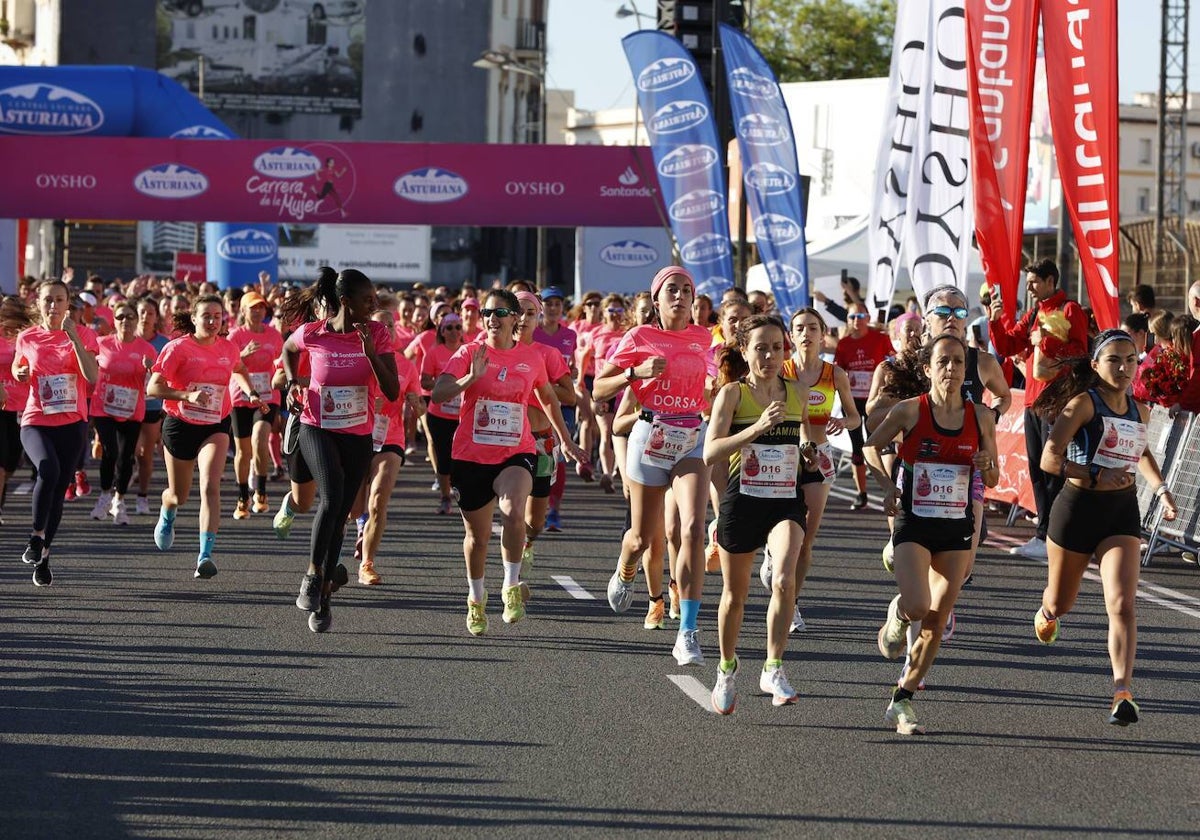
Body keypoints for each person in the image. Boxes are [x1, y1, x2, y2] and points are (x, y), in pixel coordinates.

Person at [1032, 329, 1176, 726]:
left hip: (1120, 514)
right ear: (1095, 365)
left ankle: (1122, 692)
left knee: (1123, 604)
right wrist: (1094, 474)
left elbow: (1141, 451)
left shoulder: (1141, 410)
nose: (1125, 367)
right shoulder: (1082, 404)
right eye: (1114, 359)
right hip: (1077, 510)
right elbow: (1049, 459)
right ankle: (1046, 611)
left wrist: (1161, 490)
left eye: (1131, 359)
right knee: (1062, 602)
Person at [865, 334, 999, 734]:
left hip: (957, 524)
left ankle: (902, 699)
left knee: (938, 620)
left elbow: (993, 476)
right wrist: (888, 486)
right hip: (915, 521)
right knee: (920, 605)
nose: (951, 369)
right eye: (943, 362)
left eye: (958, 362)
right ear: (927, 370)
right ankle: (899, 613)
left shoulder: (982, 417)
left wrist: (986, 463)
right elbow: (871, 447)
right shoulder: (909, 411)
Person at [431, 289, 585, 636]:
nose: (492, 319)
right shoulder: (469, 352)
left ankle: (511, 586)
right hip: (470, 455)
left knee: (515, 510)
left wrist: (566, 440)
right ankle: (476, 598)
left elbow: (549, 397)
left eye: (500, 313)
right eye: (487, 313)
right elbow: (439, 393)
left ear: (515, 319)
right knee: (478, 537)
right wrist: (470, 378)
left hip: (516, 451)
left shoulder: (531, 358)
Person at [595, 266, 716, 664]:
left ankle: (688, 632)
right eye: (671, 290)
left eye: (686, 290)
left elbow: (716, 382)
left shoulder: (704, 337)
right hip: (649, 439)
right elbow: (599, 387)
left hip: (690, 441)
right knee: (642, 539)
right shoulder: (639, 337)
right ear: (657, 299)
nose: (680, 296)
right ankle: (626, 567)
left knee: (693, 530)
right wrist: (634, 373)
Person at [704, 314, 817, 713]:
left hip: (785, 499)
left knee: (785, 578)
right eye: (760, 348)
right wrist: (753, 431)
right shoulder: (733, 395)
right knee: (735, 596)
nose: (769, 356)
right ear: (745, 351)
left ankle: (773, 666)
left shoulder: (797, 391)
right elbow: (710, 452)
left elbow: (803, 433)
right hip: (744, 498)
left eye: (776, 347)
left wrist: (808, 450)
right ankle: (726, 668)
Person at [280, 269, 399, 632]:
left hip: (357, 435)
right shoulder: (314, 332)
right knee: (330, 497)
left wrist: (371, 353)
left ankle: (326, 599)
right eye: (368, 300)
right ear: (345, 302)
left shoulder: (376, 333)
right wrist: (291, 382)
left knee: (342, 513)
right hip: (317, 426)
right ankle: (313, 576)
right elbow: (288, 348)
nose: (374, 305)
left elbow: (392, 391)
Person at [148, 294, 264, 579]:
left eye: (217, 316)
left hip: (215, 424)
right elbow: (153, 388)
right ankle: (167, 511)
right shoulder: (178, 348)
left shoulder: (228, 347)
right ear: (194, 319)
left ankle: (205, 555)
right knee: (179, 494)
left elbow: (239, 369)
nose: (213, 321)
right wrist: (186, 394)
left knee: (211, 485)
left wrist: (251, 392)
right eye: (206, 316)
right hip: (180, 424)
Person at [989, 258, 1088, 558]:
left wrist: (1045, 343)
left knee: (1052, 469)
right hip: (1032, 401)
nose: (1029, 287)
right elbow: (1006, 346)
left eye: (1034, 282)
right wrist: (994, 320)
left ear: (1050, 280)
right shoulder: (1033, 313)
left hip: (1058, 400)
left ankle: (1051, 535)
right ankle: (1044, 533)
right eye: (1028, 282)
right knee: (1036, 467)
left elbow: (1081, 352)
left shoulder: (1070, 309)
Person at [773, 308, 860, 632]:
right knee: (779, 524)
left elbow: (855, 418)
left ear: (822, 334)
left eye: (812, 327)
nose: (806, 333)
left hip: (820, 455)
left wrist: (842, 421)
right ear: (791, 336)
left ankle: (792, 603)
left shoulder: (834, 373)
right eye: (800, 328)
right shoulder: (781, 370)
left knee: (807, 538)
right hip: (784, 452)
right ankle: (774, 556)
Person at [13, 280, 99, 585]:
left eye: (59, 300)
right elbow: (18, 367)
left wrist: (72, 335)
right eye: (48, 300)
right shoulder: (27, 337)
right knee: (47, 470)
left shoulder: (85, 334)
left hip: (73, 421)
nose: (53, 306)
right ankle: (35, 536)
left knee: (59, 492)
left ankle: (45, 557)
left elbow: (91, 376)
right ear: (39, 304)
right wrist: (19, 372)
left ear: (67, 304)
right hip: (36, 418)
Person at [349, 310, 423, 586]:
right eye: (380, 326)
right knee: (354, 508)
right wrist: (366, 403)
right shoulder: (356, 360)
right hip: (356, 434)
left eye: (390, 325)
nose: (387, 330)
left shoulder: (406, 366)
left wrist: (418, 404)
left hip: (390, 438)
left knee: (378, 498)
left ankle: (367, 564)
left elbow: (418, 401)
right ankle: (359, 524)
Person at [514, 291, 576, 573]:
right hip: (506, 441)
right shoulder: (493, 350)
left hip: (541, 442)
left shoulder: (547, 354)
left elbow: (570, 396)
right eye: (517, 311)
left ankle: (527, 543)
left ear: (538, 317)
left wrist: (539, 386)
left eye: (530, 313)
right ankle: (511, 575)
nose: (523, 318)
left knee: (534, 522)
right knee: (510, 509)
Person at [88, 301, 156, 526]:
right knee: (110, 450)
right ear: (113, 321)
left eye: (129, 317)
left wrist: (150, 368)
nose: (125, 321)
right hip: (103, 407)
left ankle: (120, 500)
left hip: (131, 409)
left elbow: (154, 382)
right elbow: (86, 366)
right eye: (120, 317)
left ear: (136, 320)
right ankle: (105, 495)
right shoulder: (101, 344)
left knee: (126, 457)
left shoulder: (146, 349)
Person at [228, 291, 284, 520]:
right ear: (243, 311)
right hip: (241, 396)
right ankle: (243, 497)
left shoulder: (274, 335)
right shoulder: (235, 336)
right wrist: (242, 354)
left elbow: (282, 360)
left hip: (268, 396)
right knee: (243, 451)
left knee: (260, 439)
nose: (258, 311)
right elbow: (227, 364)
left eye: (261, 307)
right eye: (253, 308)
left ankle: (261, 491)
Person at [834, 303, 895, 509]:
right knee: (857, 447)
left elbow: (893, 361)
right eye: (852, 317)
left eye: (860, 316)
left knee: (879, 444)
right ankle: (862, 494)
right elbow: (838, 372)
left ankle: (890, 488)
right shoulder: (843, 344)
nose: (856, 320)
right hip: (851, 401)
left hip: (876, 401)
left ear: (868, 318)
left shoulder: (880, 338)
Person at [533, 286, 579, 532]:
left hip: (562, 402)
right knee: (536, 456)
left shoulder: (569, 335)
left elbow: (571, 368)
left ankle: (554, 511)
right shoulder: (532, 334)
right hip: (533, 405)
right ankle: (532, 503)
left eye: (557, 304)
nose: (552, 308)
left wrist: (570, 374)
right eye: (548, 304)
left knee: (557, 456)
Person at [579, 293, 628, 494]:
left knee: (621, 432)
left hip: (626, 391)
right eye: (611, 310)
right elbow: (584, 356)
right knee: (607, 431)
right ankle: (608, 473)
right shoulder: (597, 334)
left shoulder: (628, 334)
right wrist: (581, 380)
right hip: (605, 390)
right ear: (604, 312)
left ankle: (618, 468)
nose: (615, 314)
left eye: (619, 310)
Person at [420, 312, 468, 514]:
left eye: (458, 327)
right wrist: (443, 385)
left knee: (462, 458)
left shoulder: (467, 352)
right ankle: (445, 497)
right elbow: (424, 381)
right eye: (449, 328)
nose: (454, 331)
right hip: (439, 415)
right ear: (441, 331)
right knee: (443, 457)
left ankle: (462, 494)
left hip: (463, 414)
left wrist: (460, 386)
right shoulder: (434, 352)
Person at [133, 298, 171, 515]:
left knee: (145, 454)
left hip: (151, 405)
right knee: (129, 450)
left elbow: (169, 377)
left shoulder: (163, 343)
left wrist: (153, 368)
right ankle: (118, 490)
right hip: (126, 405)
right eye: (141, 312)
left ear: (156, 317)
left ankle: (142, 496)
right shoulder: (126, 338)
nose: (145, 317)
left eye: (149, 313)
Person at [0, 294, 34, 523]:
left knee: (12, 461)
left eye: (11, 310)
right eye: (4, 310)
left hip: (24, 406)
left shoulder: (26, 337)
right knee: (1, 464)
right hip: (0, 405)